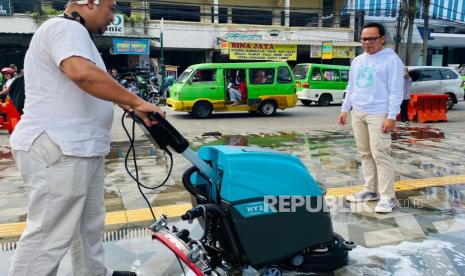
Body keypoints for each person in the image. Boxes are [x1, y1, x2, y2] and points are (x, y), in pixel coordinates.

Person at [8, 1, 163, 276]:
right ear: (89, 2)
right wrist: (137, 101)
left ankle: (93, 273)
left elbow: (89, 85)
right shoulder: (64, 27)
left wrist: (125, 104)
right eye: (112, 7)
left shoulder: (78, 36)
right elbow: (81, 74)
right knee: (48, 234)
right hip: (59, 147)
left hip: (79, 148)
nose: (114, 15)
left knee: (88, 225)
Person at [337, 22, 404, 213]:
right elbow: (351, 88)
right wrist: (344, 109)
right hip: (358, 112)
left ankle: (387, 197)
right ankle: (370, 190)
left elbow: (396, 91)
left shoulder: (391, 60)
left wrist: (391, 116)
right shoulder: (358, 61)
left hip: (379, 114)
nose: (367, 42)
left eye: (372, 38)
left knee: (381, 154)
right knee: (365, 154)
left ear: (382, 39)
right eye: (364, 39)